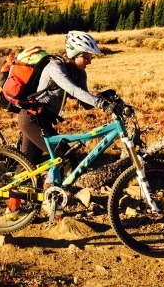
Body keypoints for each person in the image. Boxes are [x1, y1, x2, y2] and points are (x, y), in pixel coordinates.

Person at [12, 30, 114, 219]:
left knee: (28, 163)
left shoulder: (79, 73)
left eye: (91, 57)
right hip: (31, 119)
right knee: (62, 157)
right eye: (87, 56)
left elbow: (84, 101)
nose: (90, 60)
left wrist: (107, 97)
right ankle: (48, 200)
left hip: (42, 120)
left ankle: (16, 209)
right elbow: (72, 90)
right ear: (74, 53)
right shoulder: (55, 67)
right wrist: (101, 103)